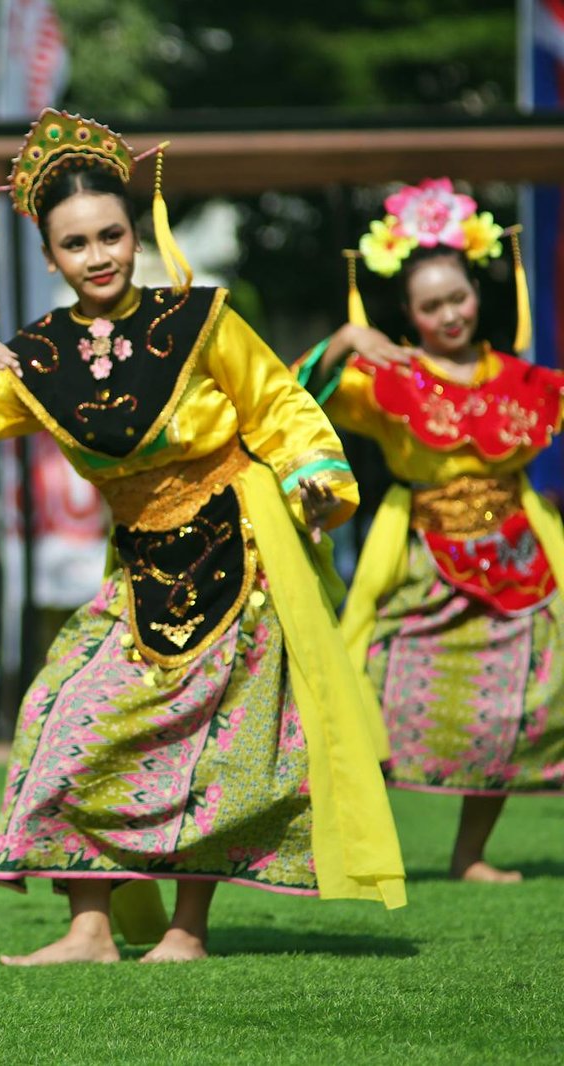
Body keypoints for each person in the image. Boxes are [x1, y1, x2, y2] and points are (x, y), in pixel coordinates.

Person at [0, 109, 406, 965]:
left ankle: (187, 932)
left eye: (112, 234)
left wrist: (314, 476)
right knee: (59, 714)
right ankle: (90, 930)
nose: (99, 255)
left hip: (238, 547)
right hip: (139, 566)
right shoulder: (34, 355)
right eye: (77, 244)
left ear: (137, 231)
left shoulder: (203, 319)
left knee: (224, 746)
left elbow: (279, 407)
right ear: (49, 256)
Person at [294, 178, 564, 882]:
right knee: (375, 690)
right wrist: (346, 339)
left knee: (518, 700)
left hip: (520, 556)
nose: (450, 314)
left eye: (459, 298)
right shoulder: (391, 374)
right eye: (431, 305)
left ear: (479, 293)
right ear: (409, 314)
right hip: (420, 561)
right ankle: (350, 845)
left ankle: (470, 853)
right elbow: (295, 398)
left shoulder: (523, 380)